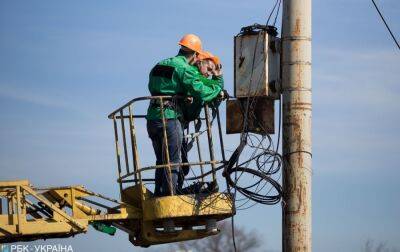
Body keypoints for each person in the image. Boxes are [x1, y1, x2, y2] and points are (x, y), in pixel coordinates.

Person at [146, 34, 224, 197]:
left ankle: (158, 194)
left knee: (161, 160)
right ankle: (170, 195)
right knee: (174, 161)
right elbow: (202, 92)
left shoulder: (159, 65)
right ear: (196, 55)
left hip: (152, 119)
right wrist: (218, 89)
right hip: (169, 118)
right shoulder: (185, 69)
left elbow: (154, 86)